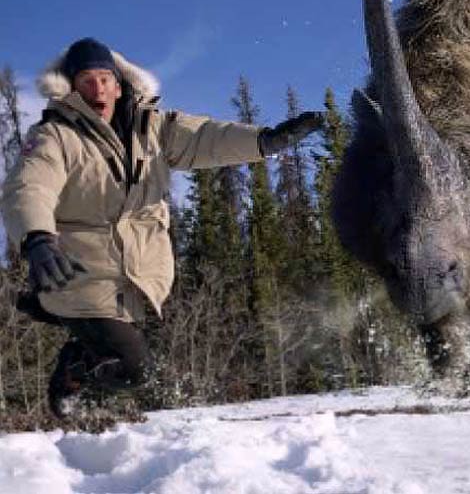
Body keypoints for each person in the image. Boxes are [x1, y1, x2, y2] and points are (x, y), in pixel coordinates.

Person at [1, 37, 323, 418]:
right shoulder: (54, 136)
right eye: (86, 80)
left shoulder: (153, 129)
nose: (98, 88)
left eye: (105, 78)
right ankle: (75, 379)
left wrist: (264, 141)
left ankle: (83, 394)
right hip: (76, 272)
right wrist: (37, 238)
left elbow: (207, 138)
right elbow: (29, 186)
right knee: (137, 371)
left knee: (130, 370)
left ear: (119, 85)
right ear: (71, 89)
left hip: (137, 278)